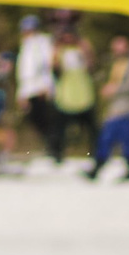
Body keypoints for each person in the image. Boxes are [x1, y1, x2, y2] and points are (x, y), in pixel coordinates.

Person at [89, 34, 129, 181]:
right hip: (115, 106)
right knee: (109, 137)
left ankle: (125, 168)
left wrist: (114, 89)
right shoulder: (114, 62)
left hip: (127, 106)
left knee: (124, 138)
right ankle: (99, 166)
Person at [15, 14, 58, 161]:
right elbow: (23, 71)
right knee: (34, 119)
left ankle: (54, 149)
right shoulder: (25, 45)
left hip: (40, 88)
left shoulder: (43, 42)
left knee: (46, 118)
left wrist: (45, 85)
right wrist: (21, 93)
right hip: (29, 89)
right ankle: (48, 146)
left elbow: (45, 65)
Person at [50, 34, 96, 164]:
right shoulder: (60, 52)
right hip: (66, 96)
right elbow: (55, 70)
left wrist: (87, 51)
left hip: (83, 96)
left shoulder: (81, 51)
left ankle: (95, 153)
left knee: (91, 129)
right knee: (59, 129)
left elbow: (91, 67)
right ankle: (57, 155)